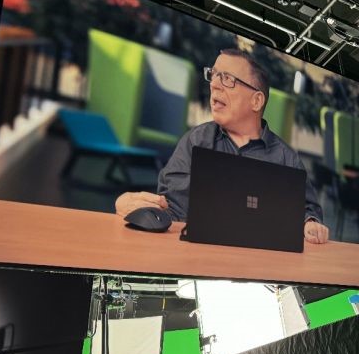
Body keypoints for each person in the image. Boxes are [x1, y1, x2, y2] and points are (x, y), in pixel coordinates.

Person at [115, 48, 330, 244]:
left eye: (227, 79)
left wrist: (310, 224)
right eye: (214, 75)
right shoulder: (196, 141)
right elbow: (173, 212)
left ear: (256, 101)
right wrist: (133, 208)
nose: (215, 84)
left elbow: (306, 211)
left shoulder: (286, 158)